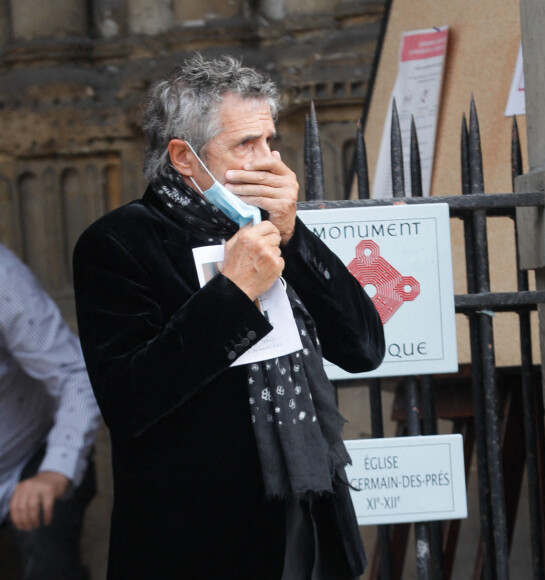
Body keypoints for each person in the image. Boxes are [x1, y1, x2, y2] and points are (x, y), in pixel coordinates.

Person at [73, 53, 385, 580]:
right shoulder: (119, 242)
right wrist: (234, 292)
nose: (269, 161)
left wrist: (293, 234)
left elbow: (363, 347)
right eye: (245, 144)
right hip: (198, 541)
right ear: (184, 157)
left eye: (269, 140)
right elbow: (129, 402)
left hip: (309, 521)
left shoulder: (272, 227)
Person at [0, 243, 101, 579]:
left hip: (28, 460)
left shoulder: (3, 277)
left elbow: (75, 374)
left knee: (49, 564)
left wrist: (54, 472)